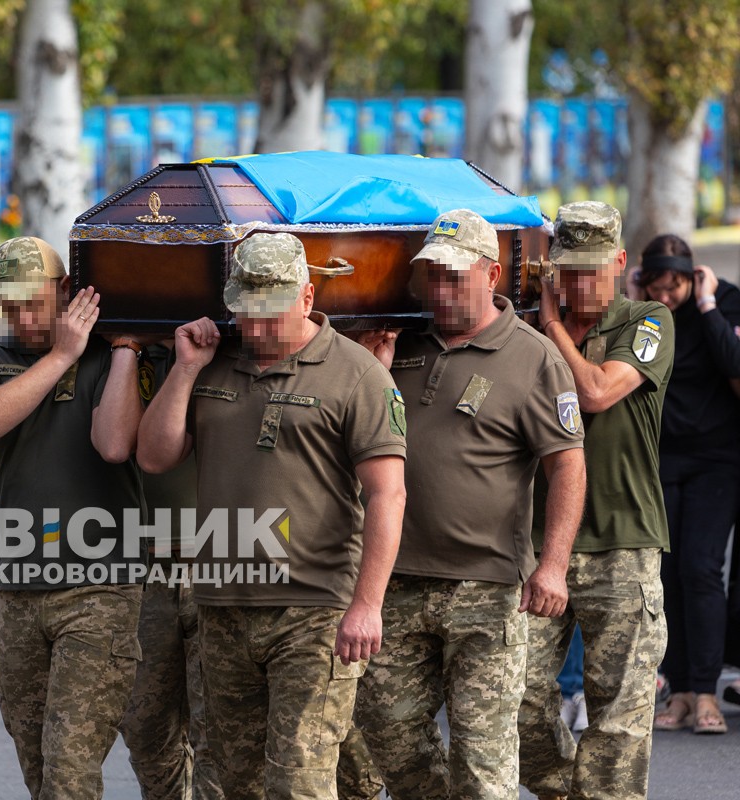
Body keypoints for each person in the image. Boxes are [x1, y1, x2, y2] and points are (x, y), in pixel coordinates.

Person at [137, 232, 407, 800]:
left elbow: (387, 495)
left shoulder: (357, 375)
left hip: (314, 610)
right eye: (245, 311)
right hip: (223, 604)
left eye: (271, 312)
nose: (255, 328)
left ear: (307, 297)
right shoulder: (214, 364)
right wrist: (185, 369)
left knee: (298, 782)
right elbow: (155, 456)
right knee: (232, 782)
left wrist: (367, 606)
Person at [352, 209, 586, 800]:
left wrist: (553, 565)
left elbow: (568, 466)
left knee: (483, 763)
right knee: (391, 741)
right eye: (432, 275)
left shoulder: (534, 357)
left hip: (487, 590)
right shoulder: (398, 345)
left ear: (491, 274)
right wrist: (377, 374)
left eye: (455, 275)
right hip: (398, 582)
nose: (441, 288)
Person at [0, 236, 148, 799]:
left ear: (66, 291)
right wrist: (58, 357)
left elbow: (115, 445)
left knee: (69, 768)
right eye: (9, 306)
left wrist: (105, 351)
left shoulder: (113, 354)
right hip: (19, 592)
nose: (21, 317)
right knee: (39, 767)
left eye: (31, 302)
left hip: (100, 590)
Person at [519, 201, 674, 800]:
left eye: (591, 268)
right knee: (514, 703)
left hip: (625, 544)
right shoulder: (522, 328)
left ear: (618, 262)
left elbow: (597, 392)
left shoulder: (647, 318)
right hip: (538, 545)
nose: (580, 282)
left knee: (620, 721)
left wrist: (552, 325)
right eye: (567, 269)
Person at [635, 234, 740, 735]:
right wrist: (636, 303)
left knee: (701, 570)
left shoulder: (722, 303)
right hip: (661, 462)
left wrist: (708, 303)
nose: (666, 297)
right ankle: (677, 690)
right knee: (668, 575)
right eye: (656, 287)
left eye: (674, 287)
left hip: (717, 460)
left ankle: (706, 692)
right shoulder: (645, 315)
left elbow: (734, 362)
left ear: (692, 277)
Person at [119, 341, 224, 800]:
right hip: (142, 567)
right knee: (145, 731)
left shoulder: (241, 341)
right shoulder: (119, 348)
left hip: (220, 564)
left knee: (219, 737)